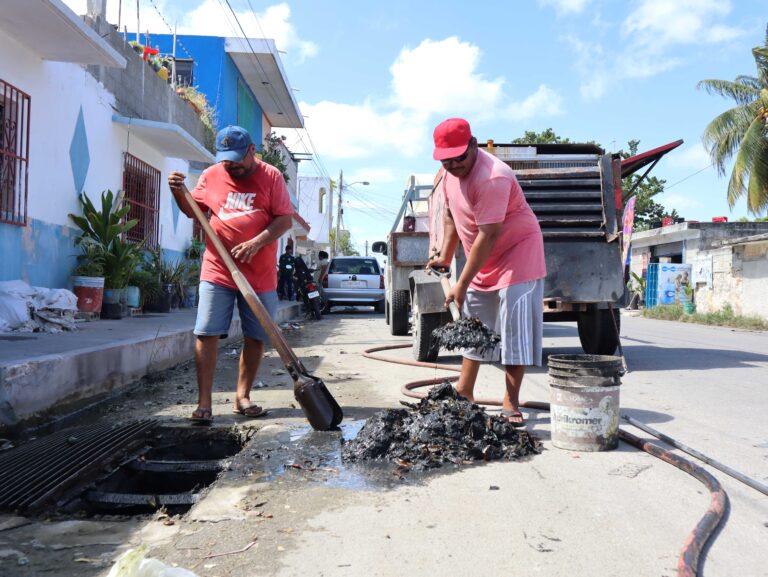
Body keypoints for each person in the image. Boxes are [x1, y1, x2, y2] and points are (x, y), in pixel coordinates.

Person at [168, 125, 293, 422]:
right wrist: (177, 193)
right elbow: (192, 210)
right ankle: (204, 404)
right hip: (218, 268)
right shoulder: (212, 175)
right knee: (207, 332)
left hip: (259, 275)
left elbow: (285, 220)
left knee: (256, 335)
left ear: (252, 151)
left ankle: (242, 396)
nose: (231, 165)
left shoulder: (271, 176)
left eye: (237, 158)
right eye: (226, 159)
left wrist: (257, 242)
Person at [427, 118, 546, 427]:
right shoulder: (448, 175)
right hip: (485, 257)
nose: (453, 165)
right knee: (475, 324)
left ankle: (511, 400)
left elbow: (488, 234)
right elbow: (452, 218)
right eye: (446, 159)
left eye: (459, 158)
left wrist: (462, 283)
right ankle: (464, 392)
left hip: (517, 252)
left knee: (513, 327)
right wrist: (445, 255)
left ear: (474, 145)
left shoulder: (493, 177)